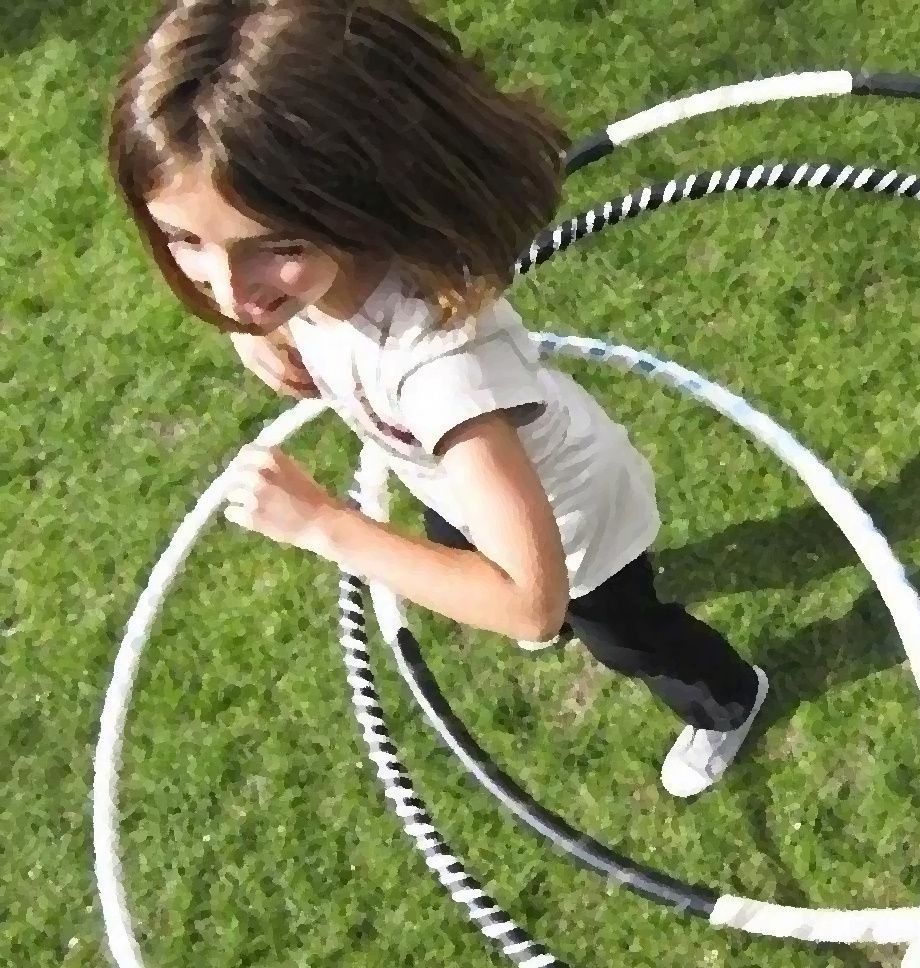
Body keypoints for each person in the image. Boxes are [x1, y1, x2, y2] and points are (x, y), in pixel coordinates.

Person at [107, 0, 767, 797]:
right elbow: (261, 288)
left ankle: (726, 699)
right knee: (461, 545)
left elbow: (529, 607)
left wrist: (326, 525)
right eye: (188, 241)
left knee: (624, 633)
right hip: (453, 483)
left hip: (573, 526)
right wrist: (269, 331)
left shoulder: (439, 371)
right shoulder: (319, 271)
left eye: (273, 249)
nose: (227, 289)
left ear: (356, 195)